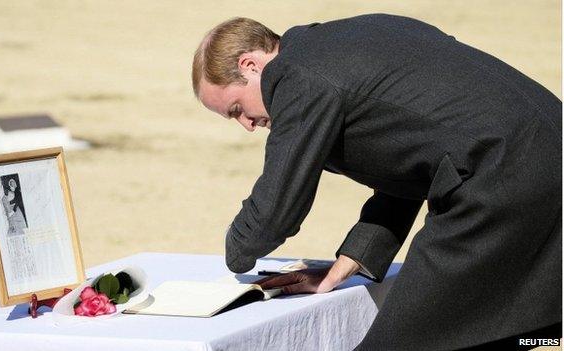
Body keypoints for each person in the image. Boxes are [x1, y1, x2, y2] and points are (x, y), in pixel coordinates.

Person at [192, 14, 561, 350]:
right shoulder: (348, 41)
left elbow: (276, 210)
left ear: (251, 65)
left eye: (237, 109)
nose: (247, 125)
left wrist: (234, 253)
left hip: (501, 171)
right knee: (510, 331)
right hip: (542, 153)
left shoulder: (296, 75)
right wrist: (353, 259)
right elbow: (417, 157)